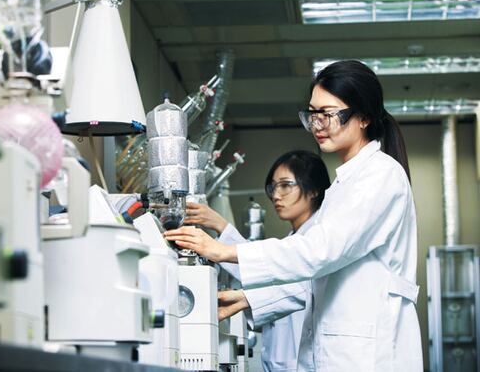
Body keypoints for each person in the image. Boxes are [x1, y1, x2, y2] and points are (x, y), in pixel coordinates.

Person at [166, 60, 423, 371]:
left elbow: (318, 251)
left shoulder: (381, 176)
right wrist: (249, 299)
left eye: (328, 114)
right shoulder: (345, 184)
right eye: (312, 114)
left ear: (364, 117)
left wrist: (225, 251)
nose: (317, 125)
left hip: (367, 357)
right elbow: (315, 281)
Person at [184, 150, 330, 372]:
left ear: (313, 190)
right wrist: (220, 226)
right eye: (273, 187)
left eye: (285, 185)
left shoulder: (320, 242)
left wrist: (245, 297)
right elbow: (264, 271)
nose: (276, 195)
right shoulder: (294, 240)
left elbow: (296, 286)